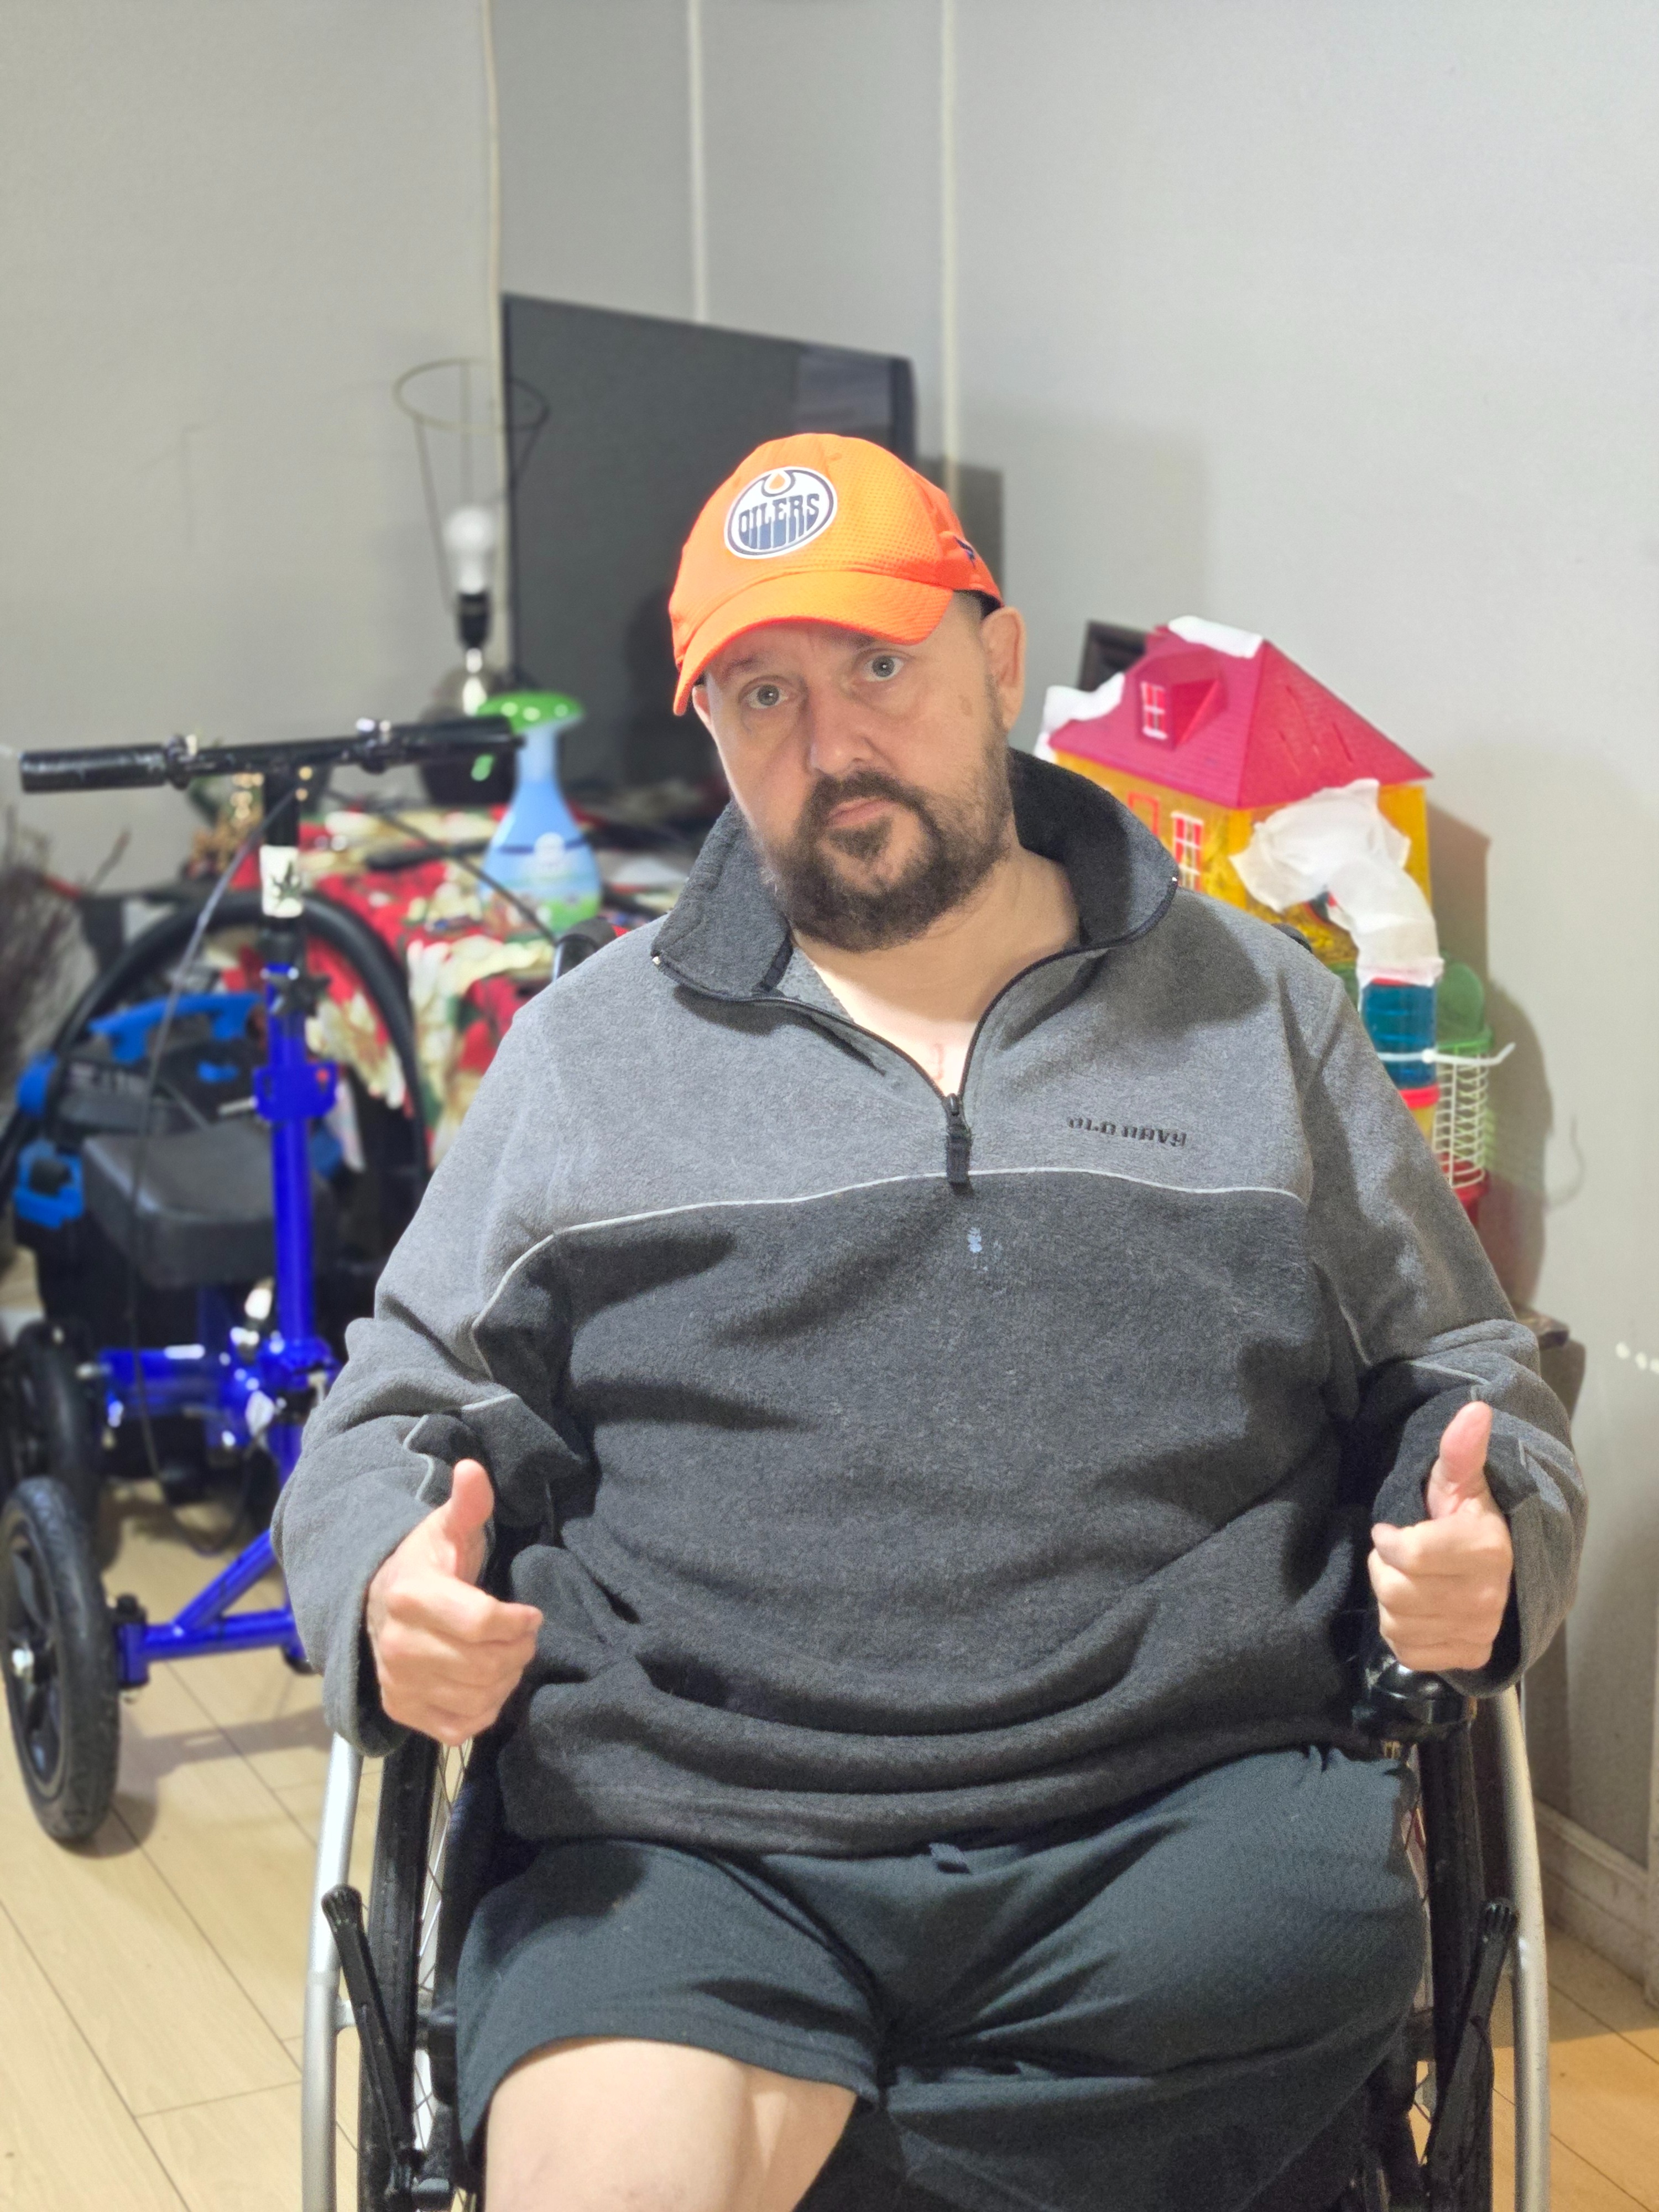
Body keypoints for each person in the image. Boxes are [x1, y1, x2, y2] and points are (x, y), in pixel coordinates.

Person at [274, 433, 1584, 2212]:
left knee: (1295, 1943)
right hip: (695, 1841)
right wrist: (383, 1591)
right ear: (709, 730)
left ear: (999, 657)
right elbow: (393, 1411)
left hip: (1171, 1822)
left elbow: (1469, 1373)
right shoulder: (591, 1057)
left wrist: (1493, 1545)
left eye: (880, 666)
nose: (831, 746)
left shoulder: (1260, 1016)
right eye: (761, 695)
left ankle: (866, 2138)